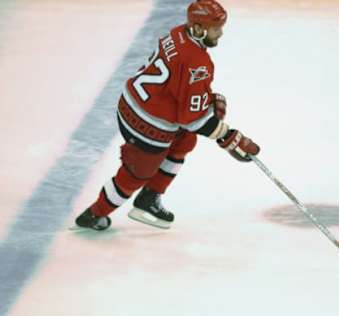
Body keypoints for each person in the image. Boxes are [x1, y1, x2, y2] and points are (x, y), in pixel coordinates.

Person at [74, 0, 260, 231]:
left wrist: (207, 106)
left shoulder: (177, 33)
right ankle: (93, 215)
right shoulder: (197, 63)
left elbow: (179, 89)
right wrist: (229, 136)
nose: (220, 33)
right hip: (147, 125)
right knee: (137, 174)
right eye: (215, 28)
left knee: (185, 139)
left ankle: (148, 199)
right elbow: (191, 119)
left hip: (133, 103)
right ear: (199, 29)